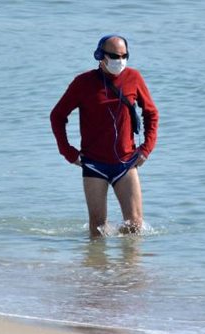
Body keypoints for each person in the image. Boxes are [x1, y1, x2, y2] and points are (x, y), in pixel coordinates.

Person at [50, 34, 159, 237]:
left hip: (126, 162)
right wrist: (68, 152)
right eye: (115, 56)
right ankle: (98, 268)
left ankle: (127, 269)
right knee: (98, 229)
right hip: (94, 164)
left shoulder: (134, 78)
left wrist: (146, 148)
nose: (120, 61)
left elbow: (151, 113)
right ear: (101, 56)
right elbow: (57, 116)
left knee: (135, 224)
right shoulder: (82, 83)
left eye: (124, 56)